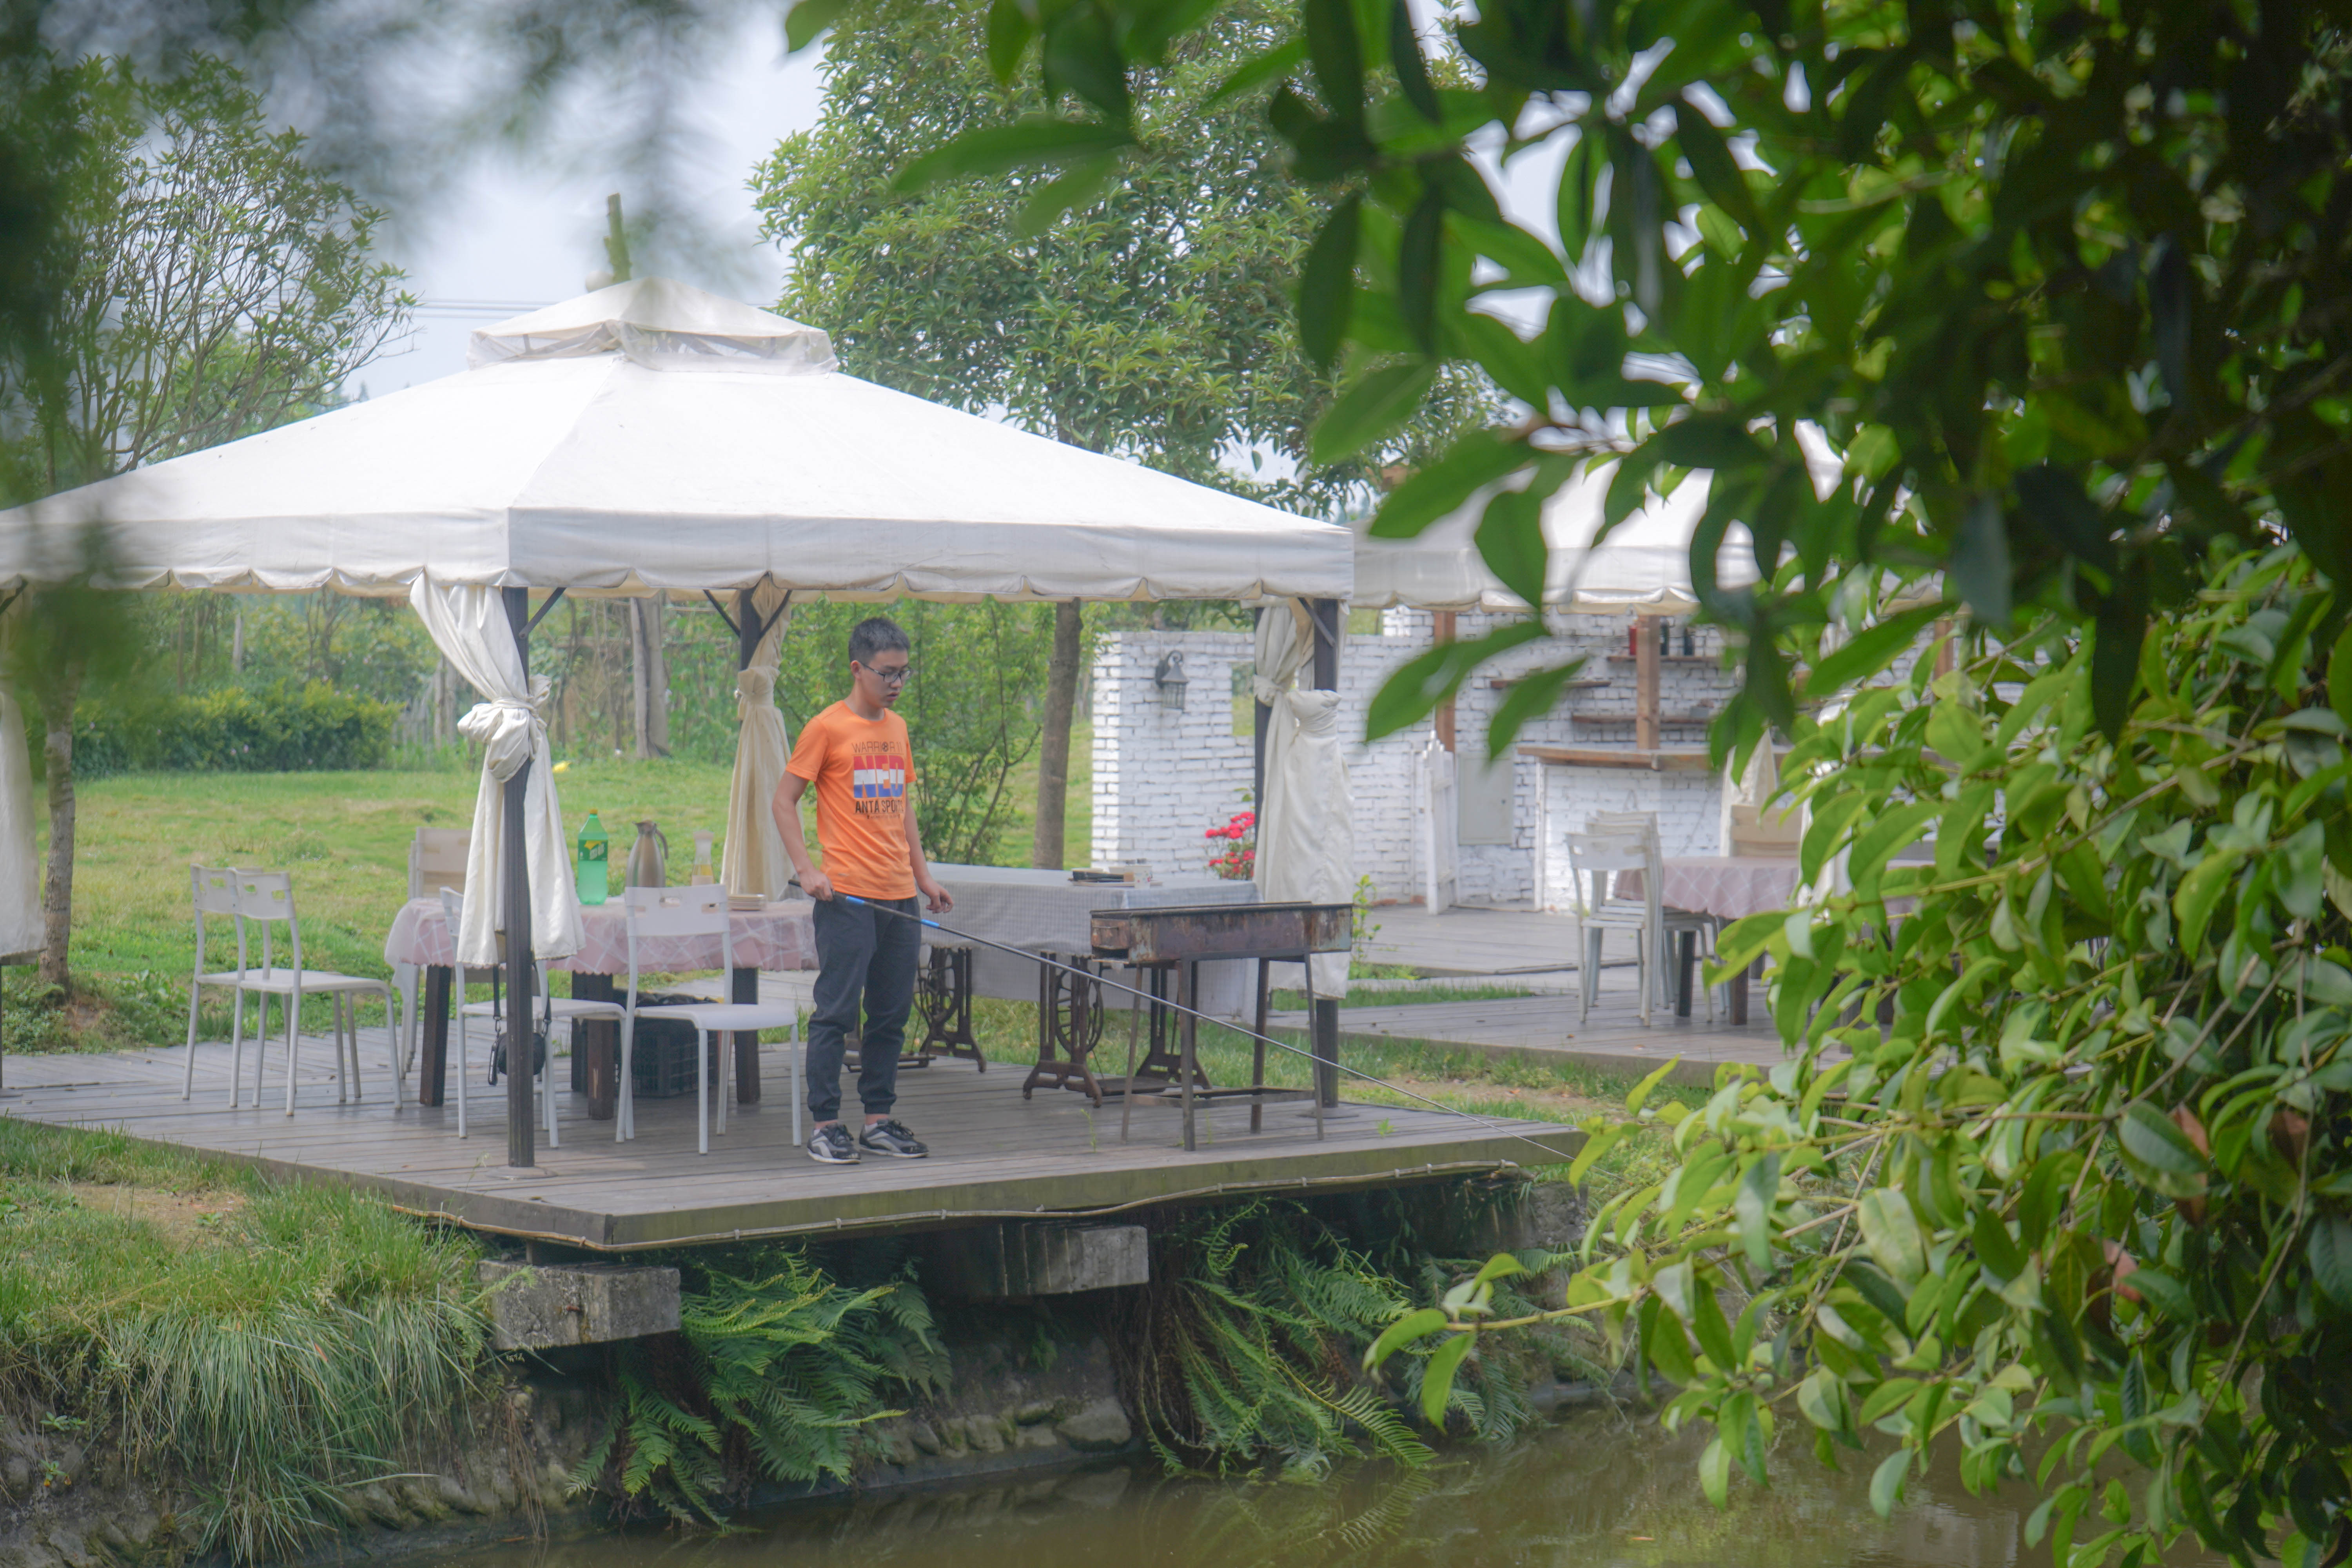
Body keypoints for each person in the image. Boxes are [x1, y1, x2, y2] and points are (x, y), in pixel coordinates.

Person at [773, 616, 953, 1165]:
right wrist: (807, 869)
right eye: (887, 673)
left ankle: (877, 1121)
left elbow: (902, 808)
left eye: (904, 673)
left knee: (891, 1015)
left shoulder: (897, 728)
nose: (897, 683)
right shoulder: (826, 728)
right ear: (858, 669)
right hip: (846, 897)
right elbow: (783, 801)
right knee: (836, 1013)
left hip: (899, 898)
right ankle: (826, 1125)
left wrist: (923, 877)